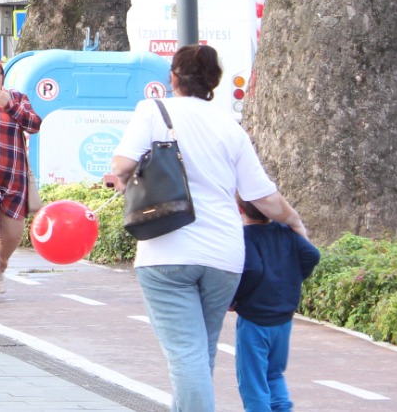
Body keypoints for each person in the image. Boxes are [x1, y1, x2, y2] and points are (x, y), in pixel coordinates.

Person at [105, 44, 306, 412]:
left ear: (174, 77)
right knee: (200, 354)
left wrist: (117, 177)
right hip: (224, 257)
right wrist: (293, 220)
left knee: (185, 355)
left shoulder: (152, 110)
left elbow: (121, 165)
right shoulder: (231, 127)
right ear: (214, 81)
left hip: (166, 251)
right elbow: (262, 196)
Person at [233, 197, 319, 412]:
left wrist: (235, 299)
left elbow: (252, 270)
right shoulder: (285, 231)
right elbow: (312, 254)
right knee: (274, 373)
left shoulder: (245, 237)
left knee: (253, 381)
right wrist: (295, 278)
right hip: (283, 318)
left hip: (254, 319)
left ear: (240, 208)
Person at [0, 55, 42, 304]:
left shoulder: (16, 98)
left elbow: (35, 125)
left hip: (13, 175)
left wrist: (9, 104)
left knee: (13, 234)